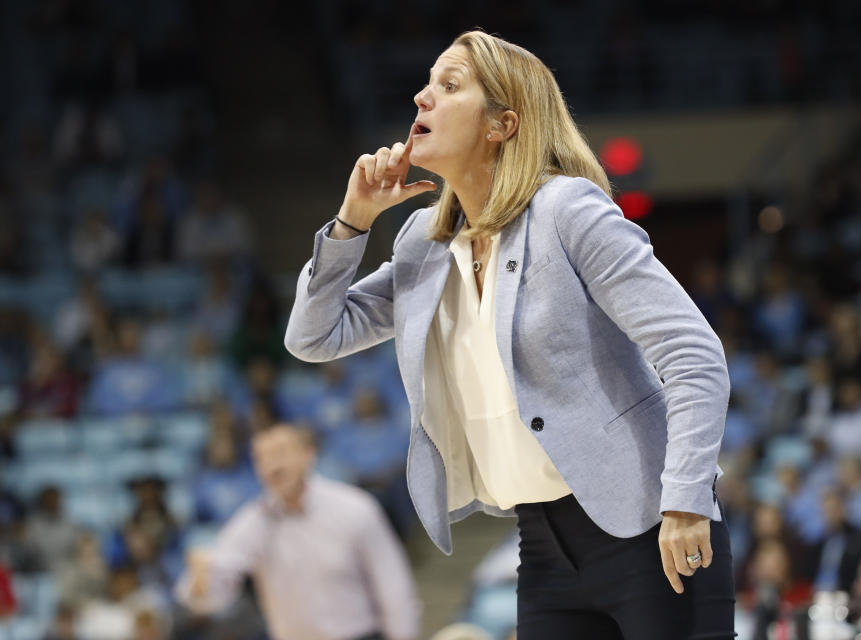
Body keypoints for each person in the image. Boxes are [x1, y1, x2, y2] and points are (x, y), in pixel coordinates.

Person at [284, 30, 734, 639]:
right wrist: (352, 222)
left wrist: (685, 499)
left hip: (650, 529)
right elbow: (313, 337)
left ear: (502, 125)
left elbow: (694, 353)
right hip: (542, 545)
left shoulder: (567, 211)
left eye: (448, 86)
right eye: (426, 84)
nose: (421, 98)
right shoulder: (425, 244)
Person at [175, 422, 420, 640]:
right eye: (261, 459)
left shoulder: (355, 508)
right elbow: (213, 593)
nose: (272, 466)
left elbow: (392, 584)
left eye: (280, 453)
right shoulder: (253, 522)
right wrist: (200, 578)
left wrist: (403, 634)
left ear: (308, 454)